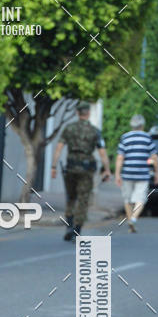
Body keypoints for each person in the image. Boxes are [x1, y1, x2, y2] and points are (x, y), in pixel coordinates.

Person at [51, 101, 111, 240]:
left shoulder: (69, 128)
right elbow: (102, 153)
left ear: (78, 113)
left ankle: (69, 226)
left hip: (71, 168)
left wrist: (53, 166)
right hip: (86, 169)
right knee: (83, 199)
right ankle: (77, 229)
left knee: (71, 198)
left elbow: (59, 148)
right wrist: (107, 169)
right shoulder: (95, 131)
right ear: (88, 114)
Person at [114, 114, 158, 233]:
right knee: (141, 199)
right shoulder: (147, 138)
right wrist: (157, 173)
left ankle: (130, 221)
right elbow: (154, 157)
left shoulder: (125, 137)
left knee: (127, 199)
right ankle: (133, 219)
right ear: (142, 125)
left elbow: (120, 157)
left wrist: (117, 174)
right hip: (142, 174)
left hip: (127, 173)